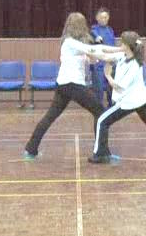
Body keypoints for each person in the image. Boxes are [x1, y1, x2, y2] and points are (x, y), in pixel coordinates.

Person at [23, 12, 113, 160]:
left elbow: (91, 60)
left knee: (50, 117)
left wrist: (93, 54)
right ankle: (101, 152)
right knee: (101, 112)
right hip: (72, 84)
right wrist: (120, 51)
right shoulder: (70, 42)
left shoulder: (76, 44)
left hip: (64, 85)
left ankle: (31, 148)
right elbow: (92, 51)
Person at [88, 31, 146, 164]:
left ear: (127, 45)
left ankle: (100, 154)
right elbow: (104, 55)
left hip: (130, 101)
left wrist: (108, 75)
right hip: (140, 100)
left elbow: (120, 87)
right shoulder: (123, 55)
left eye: (122, 42)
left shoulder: (135, 65)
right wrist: (88, 51)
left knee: (102, 121)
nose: (120, 44)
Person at [90, 7, 115, 107]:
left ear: (108, 18)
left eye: (105, 17)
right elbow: (93, 34)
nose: (103, 19)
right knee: (99, 90)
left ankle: (111, 108)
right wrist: (97, 37)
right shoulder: (94, 29)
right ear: (97, 18)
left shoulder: (110, 30)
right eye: (101, 17)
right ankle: (98, 110)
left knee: (111, 89)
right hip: (98, 66)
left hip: (109, 64)